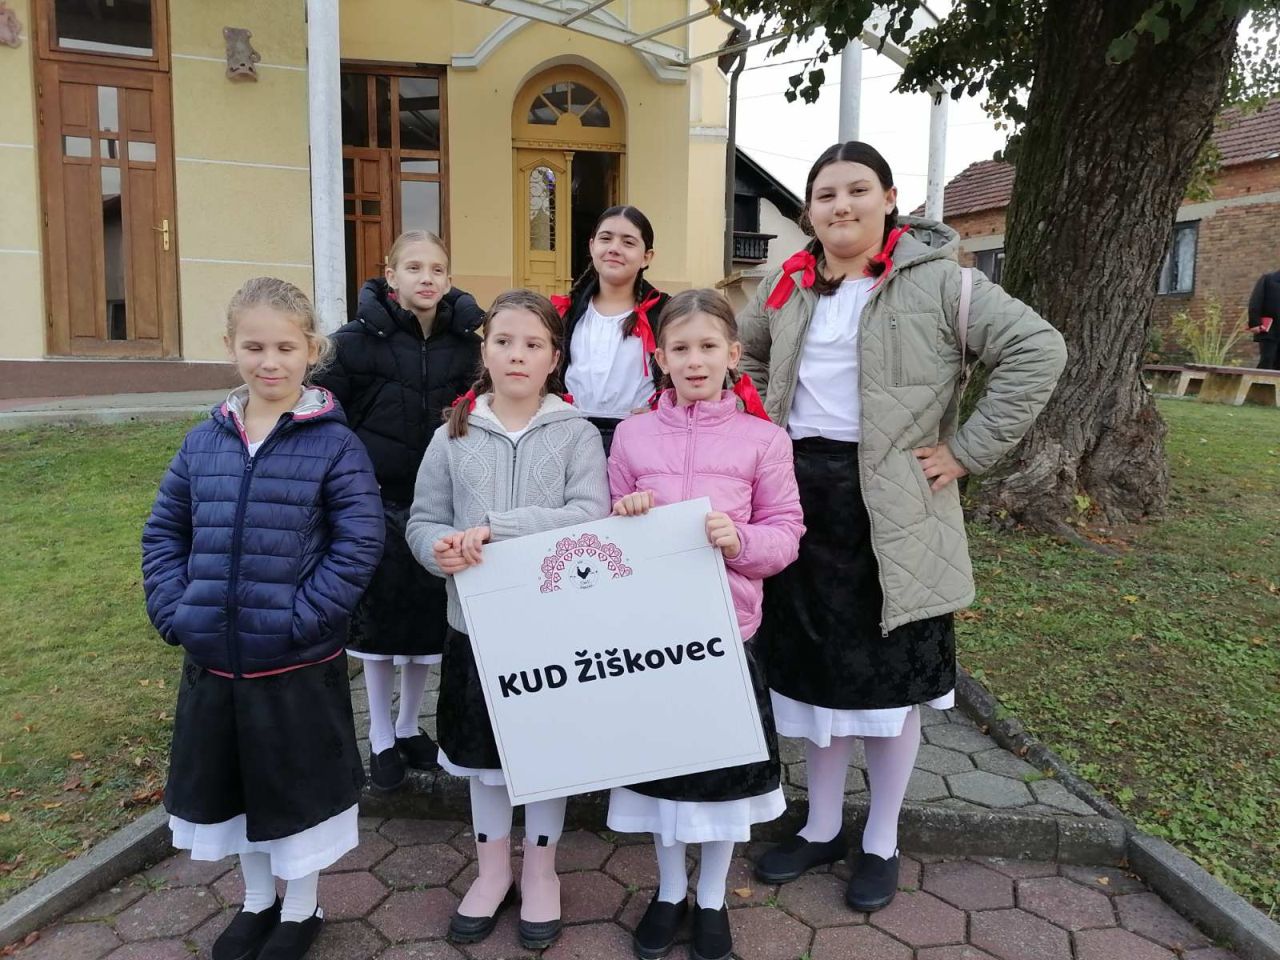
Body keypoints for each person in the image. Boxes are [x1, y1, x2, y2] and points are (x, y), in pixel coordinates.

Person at [739, 141, 1067, 913]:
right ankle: (821, 826)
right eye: (825, 194)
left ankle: (881, 837)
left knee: (889, 689)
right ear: (808, 211)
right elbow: (745, 358)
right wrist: (759, 434)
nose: (840, 206)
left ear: (890, 199)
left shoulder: (942, 285)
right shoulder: (785, 286)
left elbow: (1037, 349)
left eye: (857, 190)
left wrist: (966, 450)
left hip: (894, 513)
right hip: (800, 504)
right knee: (816, 684)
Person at [142, 277, 385, 960]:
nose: (269, 362)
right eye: (254, 346)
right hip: (216, 662)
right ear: (231, 347)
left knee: (294, 793)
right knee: (238, 791)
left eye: (285, 347)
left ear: (312, 350)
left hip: (293, 663)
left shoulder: (334, 445)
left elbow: (359, 541)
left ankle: (300, 908)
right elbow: (165, 531)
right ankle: (256, 900)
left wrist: (302, 616)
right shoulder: (204, 442)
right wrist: (175, 609)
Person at [405, 289, 611, 950]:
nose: (516, 355)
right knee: (483, 758)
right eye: (503, 342)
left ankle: (542, 870)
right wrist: (440, 551)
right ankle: (492, 870)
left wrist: (497, 528)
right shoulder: (452, 433)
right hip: (476, 628)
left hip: (553, 627)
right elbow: (423, 519)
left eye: (532, 344)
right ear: (484, 350)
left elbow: (590, 515)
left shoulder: (576, 433)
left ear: (554, 358)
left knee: (545, 755)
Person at [605, 289, 804, 960]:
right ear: (660, 357)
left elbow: (786, 534)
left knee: (724, 782)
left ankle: (713, 896)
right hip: (653, 637)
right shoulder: (631, 436)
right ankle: (667, 890)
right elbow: (605, 535)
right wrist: (626, 513)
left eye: (708, 347)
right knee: (664, 779)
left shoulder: (764, 440)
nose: (694, 361)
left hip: (730, 634)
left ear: (733, 355)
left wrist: (739, 541)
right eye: (681, 349)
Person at [314, 231, 483, 790]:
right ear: (390, 275)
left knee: (422, 627)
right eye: (414, 267)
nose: (426, 278)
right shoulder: (356, 342)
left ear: (450, 279)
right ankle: (381, 736)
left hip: (439, 503)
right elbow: (324, 408)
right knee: (381, 626)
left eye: (437, 268)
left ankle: (412, 726)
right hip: (377, 502)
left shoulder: (467, 345)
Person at [554, 205, 671, 454]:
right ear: (592, 246)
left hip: (641, 439)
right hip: (571, 436)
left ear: (646, 257)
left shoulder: (664, 313)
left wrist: (663, 406)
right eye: (606, 238)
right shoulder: (568, 312)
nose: (614, 248)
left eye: (628, 242)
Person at [1245, 269, 1280, 370]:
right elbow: (1256, 301)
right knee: (1267, 360)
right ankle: (1259, 385)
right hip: (1270, 330)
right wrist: (1254, 323)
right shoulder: (1269, 279)